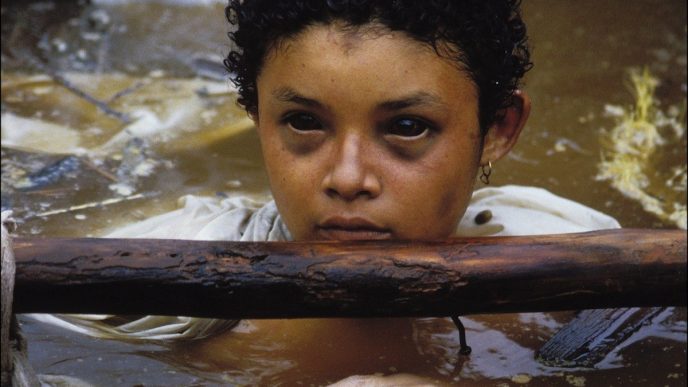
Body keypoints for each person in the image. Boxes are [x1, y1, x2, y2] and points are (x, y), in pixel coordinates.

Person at [30, 0, 620, 384]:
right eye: (304, 123)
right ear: (257, 116)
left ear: (497, 130)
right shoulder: (144, 305)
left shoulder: (583, 284)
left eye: (408, 127)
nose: (347, 178)